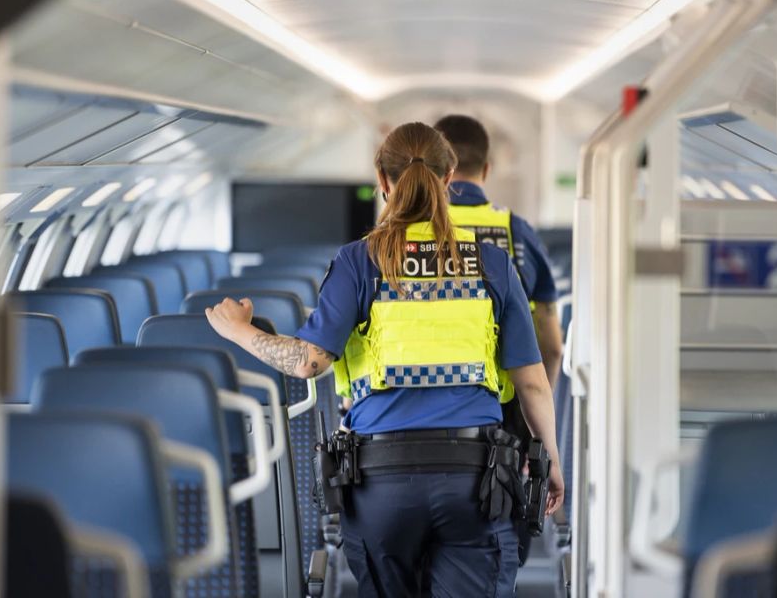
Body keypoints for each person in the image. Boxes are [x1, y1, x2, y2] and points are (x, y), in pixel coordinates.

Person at [206, 122, 564, 597]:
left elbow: (308, 362)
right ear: (450, 175)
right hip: (474, 479)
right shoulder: (490, 263)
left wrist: (240, 330)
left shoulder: (358, 261)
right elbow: (533, 383)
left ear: (382, 179)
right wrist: (550, 460)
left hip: (380, 481)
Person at [435, 114, 564, 564]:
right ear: (486, 168)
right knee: (494, 546)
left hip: (408, 410)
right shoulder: (517, 234)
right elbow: (550, 344)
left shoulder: (398, 237)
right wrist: (536, 419)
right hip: (501, 411)